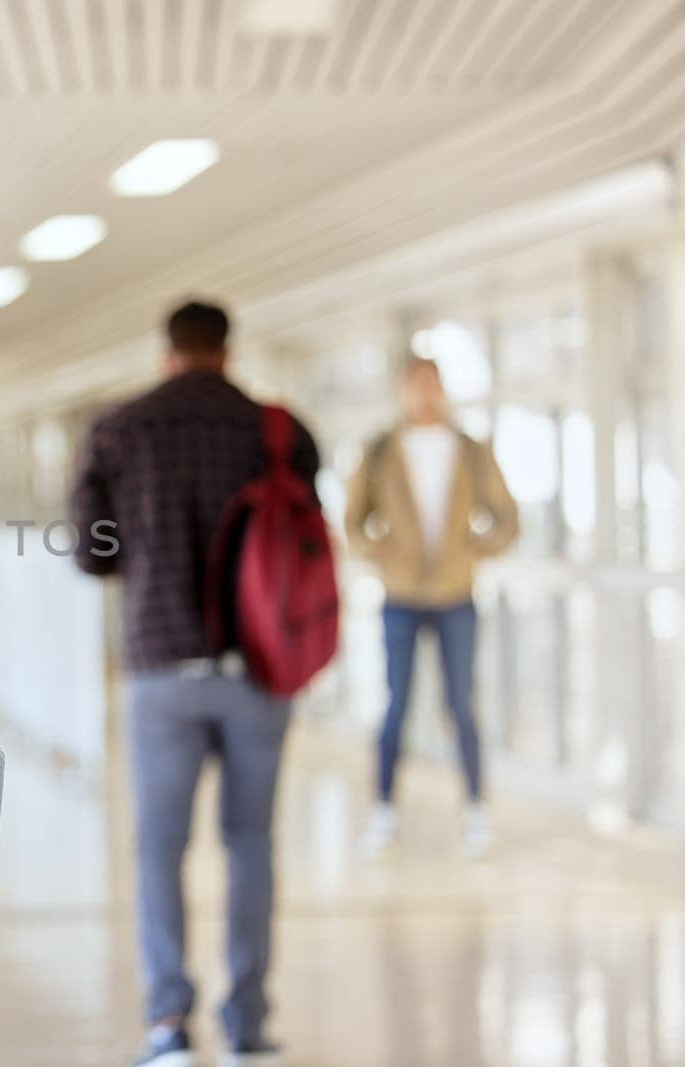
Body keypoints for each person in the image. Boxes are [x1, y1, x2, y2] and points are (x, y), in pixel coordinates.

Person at [69, 301, 320, 1067]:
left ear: (168, 350)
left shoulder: (119, 429)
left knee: (159, 847)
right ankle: (247, 1024)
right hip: (261, 666)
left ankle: (168, 1023)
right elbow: (305, 536)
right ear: (227, 348)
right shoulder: (279, 430)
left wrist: (146, 548)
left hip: (160, 666)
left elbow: (91, 551)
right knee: (249, 841)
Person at [344, 355, 519, 859]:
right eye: (415, 385)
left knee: (461, 704)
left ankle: (476, 810)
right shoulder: (379, 450)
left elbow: (506, 518)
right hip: (399, 596)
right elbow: (353, 522)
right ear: (403, 390)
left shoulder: (469, 449)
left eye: (432, 385)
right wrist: (375, 550)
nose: (424, 394)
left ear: (442, 388)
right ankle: (382, 810)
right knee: (395, 704)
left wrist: (473, 550)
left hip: (455, 595)